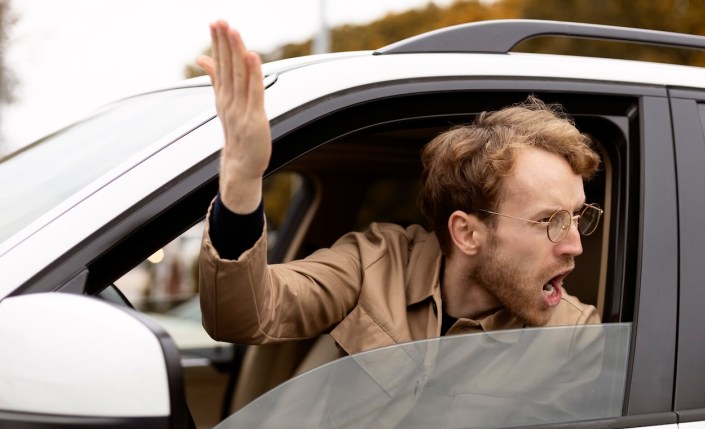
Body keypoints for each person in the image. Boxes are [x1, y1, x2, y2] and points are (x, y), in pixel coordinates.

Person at [196, 21, 602, 359]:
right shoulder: (374, 263)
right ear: (467, 233)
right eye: (550, 220)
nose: (575, 245)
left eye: (578, 217)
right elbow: (244, 315)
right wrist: (243, 179)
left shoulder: (575, 339)